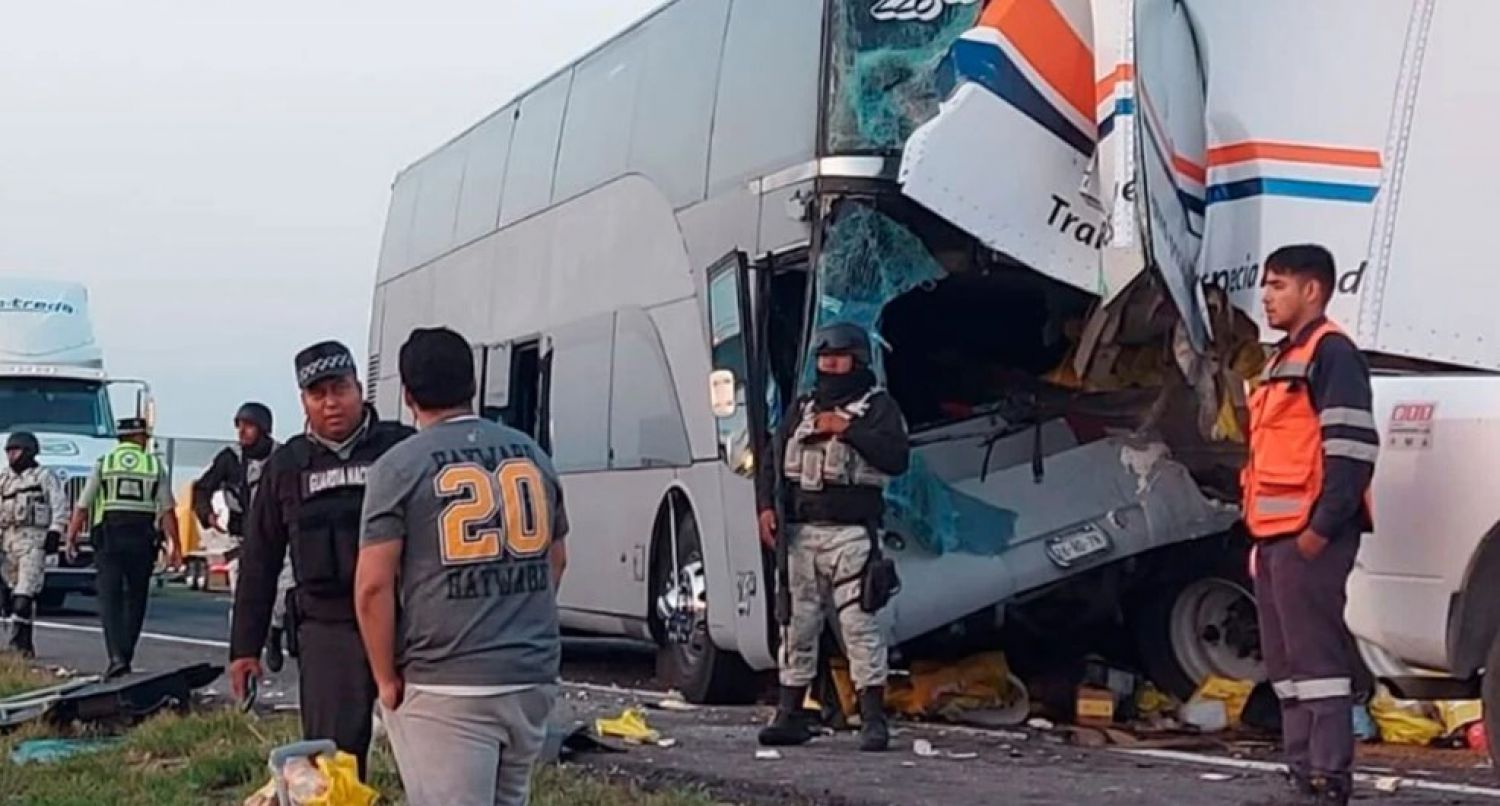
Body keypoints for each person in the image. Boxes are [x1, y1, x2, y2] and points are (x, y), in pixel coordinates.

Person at [356, 327, 568, 806]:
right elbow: (557, 559)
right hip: (530, 672)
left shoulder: (399, 467)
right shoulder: (532, 455)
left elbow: (373, 587)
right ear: (472, 384)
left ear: (407, 395)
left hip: (447, 679)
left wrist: (385, 678)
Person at [227, 341, 412, 777]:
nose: (331, 403)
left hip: (405, 623)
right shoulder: (288, 465)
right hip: (328, 628)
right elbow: (259, 559)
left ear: (359, 388)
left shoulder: (402, 449)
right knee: (335, 762)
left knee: (430, 761)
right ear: (304, 401)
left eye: (340, 389)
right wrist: (245, 648)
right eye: (318, 394)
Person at [1243, 245, 1378, 806]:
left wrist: (1319, 530)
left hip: (1308, 537)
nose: (1267, 296)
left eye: (1278, 285)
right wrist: (1260, 543)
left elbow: (1351, 451)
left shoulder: (1333, 354)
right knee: (1287, 667)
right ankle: (1302, 772)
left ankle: (1329, 777)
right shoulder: (1280, 360)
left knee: (1317, 662)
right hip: (1276, 539)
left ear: (1312, 291)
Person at [756, 323, 910, 753]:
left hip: (851, 535)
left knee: (860, 625)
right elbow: (773, 457)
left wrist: (847, 428)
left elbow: (897, 458)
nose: (828, 366)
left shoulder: (878, 408)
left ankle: (873, 720)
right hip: (799, 534)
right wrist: (766, 507)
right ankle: (789, 714)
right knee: (795, 625)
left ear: (857, 361)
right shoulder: (802, 406)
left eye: (838, 358)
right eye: (824, 359)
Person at [65, 417, 182, 678]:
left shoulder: (104, 463)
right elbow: (167, 511)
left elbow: (84, 504)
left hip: (109, 536)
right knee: (136, 599)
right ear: (139, 437)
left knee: (110, 599)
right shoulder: (153, 465)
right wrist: (176, 546)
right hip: (141, 537)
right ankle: (125, 654)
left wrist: (71, 536)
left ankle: (116, 656)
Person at [192, 402, 292, 671]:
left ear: (263, 428)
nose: (242, 432)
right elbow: (202, 488)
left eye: (248, 426)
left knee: (283, 594)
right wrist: (207, 515)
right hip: (242, 540)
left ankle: (274, 631)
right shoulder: (230, 458)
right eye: (239, 426)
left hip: (279, 539)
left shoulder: (283, 457)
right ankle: (242, 655)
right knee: (243, 599)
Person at [0, 432, 68, 657]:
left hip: (32, 540)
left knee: (24, 594)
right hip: (8, 541)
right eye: (8, 451)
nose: (11, 456)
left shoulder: (43, 477)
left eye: (16, 451)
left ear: (28, 451)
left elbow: (59, 505)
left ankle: (16, 643)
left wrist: (55, 532)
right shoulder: (4, 479)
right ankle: (24, 644)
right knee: (11, 596)